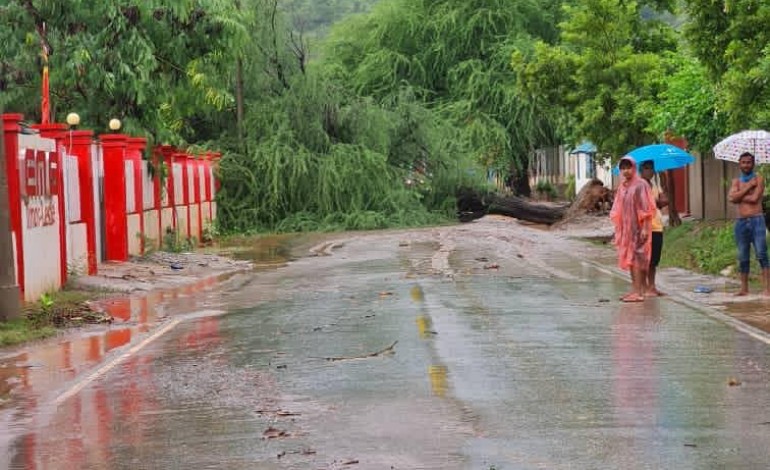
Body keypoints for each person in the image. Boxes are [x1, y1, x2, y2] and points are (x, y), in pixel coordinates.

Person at [610, 156, 656, 302]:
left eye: (628, 167)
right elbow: (618, 208)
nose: (626, 171)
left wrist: (644, 228)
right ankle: (635, 290)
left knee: (637, 260)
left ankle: (638, 292)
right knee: (630, 260)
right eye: (623, 168)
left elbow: (646, 208)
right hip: (627, 230)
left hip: (639, 229)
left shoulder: (640, 185)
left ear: (634, 168)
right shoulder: (623, 187)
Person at [727, 152, 770, 296]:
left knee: (762, 254)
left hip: (757, 220)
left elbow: (755, 198)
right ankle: (744, 289)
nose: (746, 165)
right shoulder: (736, 181)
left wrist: (739, 195)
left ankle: (767, 289)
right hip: (741, 222)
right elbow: (732, 199)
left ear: (753, 164)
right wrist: (748, 186)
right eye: (743, 162)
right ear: (739, 164)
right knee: (743, 255)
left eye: (749, 162)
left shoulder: (759, 178)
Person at [639, 160, 668, 296]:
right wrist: (655, 201)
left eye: (651, 168)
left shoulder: (655, 185)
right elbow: (642, 203)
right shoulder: (639, 186)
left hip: (657, 225)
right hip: (643, 226)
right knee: (644, 258)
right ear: (641, 170)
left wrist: (656, 201)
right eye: (646, 168)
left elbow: (663, 201)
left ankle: (652, 286)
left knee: (654, 259)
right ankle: (643, 286)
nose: (649, 171)